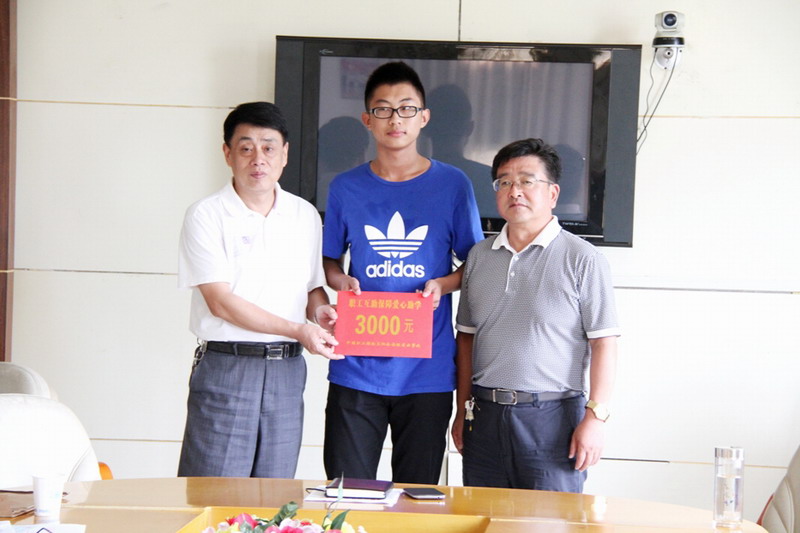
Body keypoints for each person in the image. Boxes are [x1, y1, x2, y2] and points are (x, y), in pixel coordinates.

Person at [322, 62, 484, 484]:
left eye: (407, 108)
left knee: (417, 497)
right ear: (367, 120)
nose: (395, 119)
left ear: (423, 117)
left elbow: (476, 264)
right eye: (383, 109)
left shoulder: (453, 185)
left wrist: (443, 284)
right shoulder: (345, 187)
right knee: (346, 491)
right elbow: (329, 260)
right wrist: (341, 282)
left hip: (427, 369)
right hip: (357, 364)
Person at [177, 101, 342, 478]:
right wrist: (298, 330)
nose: (258, 159)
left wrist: (320, 313)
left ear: (285, 154)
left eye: (269, 147)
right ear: (227, 154)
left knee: (274, 492)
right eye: (246, 147)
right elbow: (220, 303)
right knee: (214, 492)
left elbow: (311, 288)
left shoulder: (304, 215)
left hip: (287, 370)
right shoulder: (206, 214)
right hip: (228, 366)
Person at [451, 138, 620, 492]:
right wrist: (461, 409)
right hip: (484, 417)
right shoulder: (479, 257)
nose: (515, 191)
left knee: (549, 518)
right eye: (504, 182)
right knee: (483, 516)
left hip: (552, 420)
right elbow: (466, 338)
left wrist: (596, 417)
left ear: (553, 193)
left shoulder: (583, 258)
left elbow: (604, 342)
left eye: (527, 181)